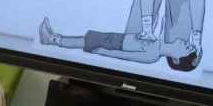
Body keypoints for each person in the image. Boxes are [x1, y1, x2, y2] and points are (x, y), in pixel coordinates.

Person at [39, 17, 198, 70]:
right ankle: (54, 37)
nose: (186, 43)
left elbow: (126, 56)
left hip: (114, 45)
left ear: (176, 59)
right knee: (84, 39)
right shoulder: (157, 42)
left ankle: (52, 40)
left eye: (187, 48)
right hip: (117, 39)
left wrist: (105, 52)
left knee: (84, 42)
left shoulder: (153, 56)